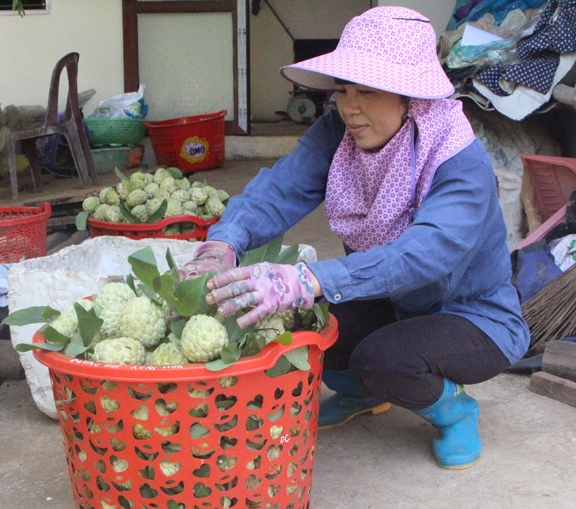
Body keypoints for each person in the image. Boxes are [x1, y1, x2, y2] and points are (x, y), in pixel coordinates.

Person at [179, 6, 529, 470]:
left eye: (366, 91)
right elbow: (279, 190)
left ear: (411, 97)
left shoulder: (459, 161)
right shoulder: (339, 132)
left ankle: (454, 409)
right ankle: (364, 396)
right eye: (342, 90)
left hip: (471, 315)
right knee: (305, 328)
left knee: (382, 359)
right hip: (393, 301)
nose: (349, 107)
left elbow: (420, 258)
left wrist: (305, 277)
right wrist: (223, 243)